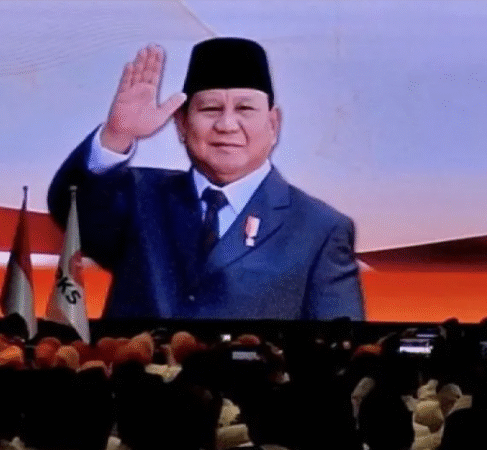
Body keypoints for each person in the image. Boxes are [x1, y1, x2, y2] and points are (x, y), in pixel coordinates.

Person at [48, 38, 365, 321]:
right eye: (211, 109)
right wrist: (116, 136)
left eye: (244, 108)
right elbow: (72, 211)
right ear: (181, 124)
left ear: (273, 124)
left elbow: (339, 344)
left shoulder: (319, 228)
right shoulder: (139, 197)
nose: (227, 125)